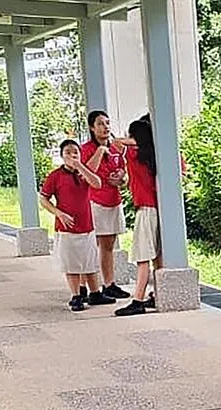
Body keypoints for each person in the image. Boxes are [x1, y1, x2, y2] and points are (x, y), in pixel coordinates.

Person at [39, 140, 112, 312]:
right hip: (67, 228)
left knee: (89, 261)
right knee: (71, 263)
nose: (72, 155)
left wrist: (80, 166)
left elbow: (97, 183)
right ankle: (76, 295)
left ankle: (95, 293)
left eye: (75, 152)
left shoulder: (84, 173)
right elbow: (43, 198)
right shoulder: (55, 176)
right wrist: (58, 213)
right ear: (61, 156)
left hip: (86, 226)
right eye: (68, 152)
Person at [80, 109, 132, 300]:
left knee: (108, 245)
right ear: (92, 128)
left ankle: (109, 284)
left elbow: (124, 174)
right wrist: (100, 151)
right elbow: (86, 172)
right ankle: (83, 287)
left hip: (113, 200)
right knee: (90, 245)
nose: (105, 127)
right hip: (94, 201)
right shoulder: (86, 149)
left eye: (107, 123)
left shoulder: (116, 148)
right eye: (100, 124)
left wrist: (121, 179)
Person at [113, 118, 161, 317]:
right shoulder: (153, 154)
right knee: (157, 257)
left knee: (143, 257)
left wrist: (133, 140)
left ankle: (138, 300)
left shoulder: (133, 155)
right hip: (156, 209)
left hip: (146, 209)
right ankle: (157, 294)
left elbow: (116, 142)